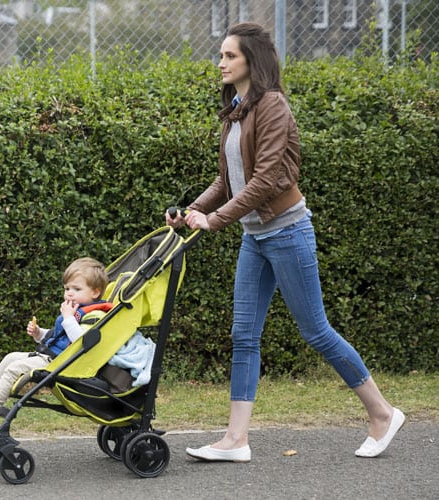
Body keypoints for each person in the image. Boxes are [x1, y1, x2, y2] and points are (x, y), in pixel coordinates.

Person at [166, 22, 404, 462]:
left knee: (316, 330)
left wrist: (214, 220)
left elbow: (267, 178)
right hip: (255, 237)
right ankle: (236, 440)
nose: (220, 63)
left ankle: (383, 413)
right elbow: (228, 178)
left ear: (250, 62)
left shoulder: (272, 105)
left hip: (288, 232)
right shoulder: (237, 108)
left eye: (229, 56)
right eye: (220, 56)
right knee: (244, 334)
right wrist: (189, 209)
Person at [0, 257, 112, 423]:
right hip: (51, 357)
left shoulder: (95, 315)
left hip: (64, 364)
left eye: (76, 288)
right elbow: (58, 337)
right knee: (11, 357)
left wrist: (68, 318)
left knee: (15, 368)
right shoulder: (75, 310)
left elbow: (81, 343)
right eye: (67, 288)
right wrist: (39, 333)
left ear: (95, 292)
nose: (69, 292)